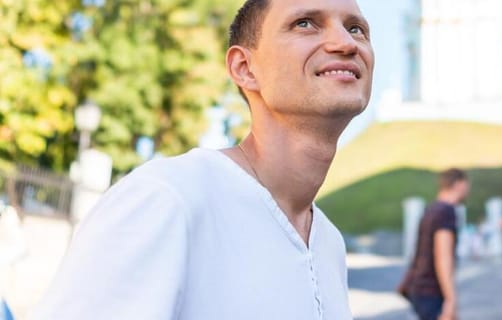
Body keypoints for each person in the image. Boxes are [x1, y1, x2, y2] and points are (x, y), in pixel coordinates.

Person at [34, 0, 374, 318]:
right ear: (244, 68)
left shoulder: (329, 243)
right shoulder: (166, 198)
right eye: (305, 24)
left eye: (356, 29)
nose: (345, 43)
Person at [399, 168, 470, 320]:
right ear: (458, 184)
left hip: (419, 287)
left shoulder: (431, 209)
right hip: (431, 290)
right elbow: (443, 256)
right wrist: (451, 299)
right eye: (466, 184)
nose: (468, 189)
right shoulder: (446, 211)